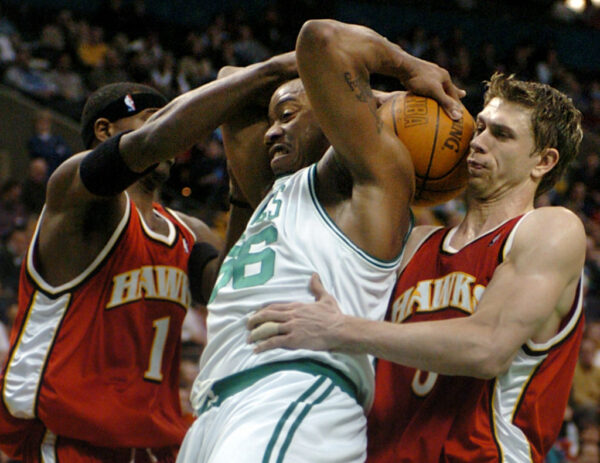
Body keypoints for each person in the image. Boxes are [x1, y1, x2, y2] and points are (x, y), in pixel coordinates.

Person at [248, 72, 585, 462]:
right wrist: (392, 106)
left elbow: (487, 348)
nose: (477, 142)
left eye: (502, 135)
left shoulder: (549, 229)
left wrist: (341, 328)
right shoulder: (416, 243)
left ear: (543, 161)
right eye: (481, 127)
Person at [176, 19, 465, 462]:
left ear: (334, 117)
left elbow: (322, 39)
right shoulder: (278, 196)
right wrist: (284, 85)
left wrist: (406, 70)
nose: (273, 130)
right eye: (273, 119)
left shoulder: (370, 187)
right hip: (220, 405)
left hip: (294, 393)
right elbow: (232, 84)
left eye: (288, 116)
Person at [0, 57, 312, 461]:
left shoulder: (189, 232)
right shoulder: (75, 191)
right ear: (104, 130)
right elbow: (153, 143)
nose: (170, 131)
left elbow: (225, 293)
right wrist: (268, 73)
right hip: (69, 438)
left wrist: (241, 187)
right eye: (154, 118)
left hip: (151, 444)